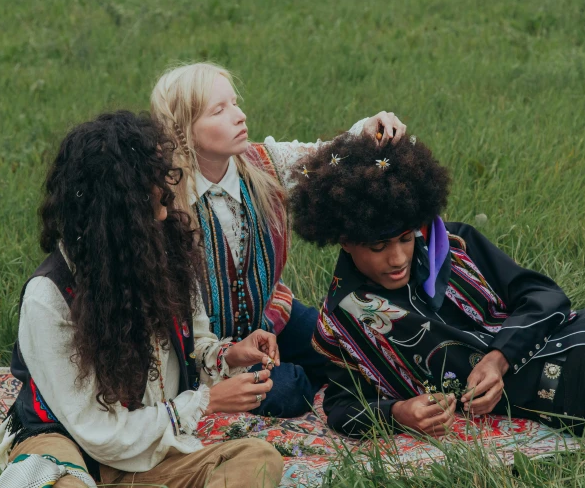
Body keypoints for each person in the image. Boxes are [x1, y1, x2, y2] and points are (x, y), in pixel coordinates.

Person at [287, 131, 585, 437]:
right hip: (574, 387)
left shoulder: (454, 244)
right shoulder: (342, 319)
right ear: (344, 241)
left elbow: (546, 296)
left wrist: (498, 357)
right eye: (377, 246)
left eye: (406, 238)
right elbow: (341, 407)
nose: (399, 257)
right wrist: (398, 413)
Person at [0, 111, 283, 488]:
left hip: (149, 449)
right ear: (114, 221)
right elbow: (97, 433)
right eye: (153, 206)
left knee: (257, 460)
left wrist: (226, 357)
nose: (166, 215)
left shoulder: (168, 255)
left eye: (164, 197)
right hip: (70, 445)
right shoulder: (48, 296)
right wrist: (204, 403)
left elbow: (191, 347)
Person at [151, 61, 408, 416]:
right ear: (183, 131)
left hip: (272, 317)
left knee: (350, 348)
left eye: (235, 103)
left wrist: (368, 130)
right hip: (203, 349)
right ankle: (253, 383)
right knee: (287, 390)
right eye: (219, 110)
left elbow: (328, 157)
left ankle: (289, 370)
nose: (239, 116)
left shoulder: (263, 164)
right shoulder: (167, 203)